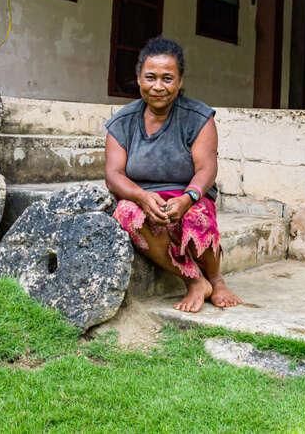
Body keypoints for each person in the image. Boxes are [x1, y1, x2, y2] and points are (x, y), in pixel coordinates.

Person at [104, 37, 242, 313]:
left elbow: (206, 168)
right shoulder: (122, 122)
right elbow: (113, 174)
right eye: (150, 77)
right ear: (139, 79)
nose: (158, 87)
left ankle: (216, 278)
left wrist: (188, 197)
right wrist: (142, 197)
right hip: (144, 196)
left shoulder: (198, 117)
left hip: (188, 194)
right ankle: (194, 280)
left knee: (197, 216)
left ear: (179, 82)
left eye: (167, 78)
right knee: (127, 213)